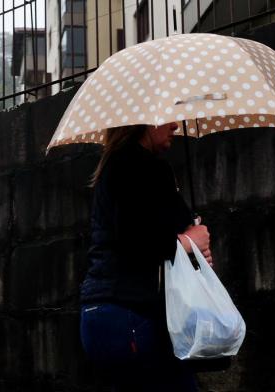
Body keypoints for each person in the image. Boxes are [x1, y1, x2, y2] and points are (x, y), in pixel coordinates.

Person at [79, 122, 212, 392]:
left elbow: (145, 227)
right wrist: (189, 241)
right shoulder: (139, 165)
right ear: (144, 124)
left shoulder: (116, 166)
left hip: (102, 316)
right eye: (166, 118)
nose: (175, 125)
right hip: (131, 314)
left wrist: (190, 233)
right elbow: (136, 239)